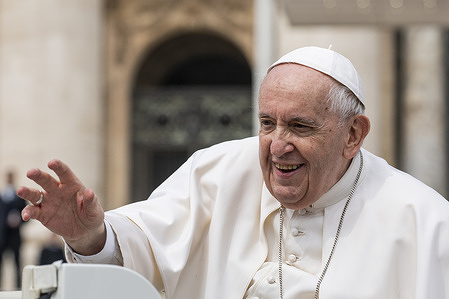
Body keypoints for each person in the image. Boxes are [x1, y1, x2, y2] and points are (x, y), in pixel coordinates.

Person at [18, 46, 449, 298]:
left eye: (299, 126)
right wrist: (88, 236)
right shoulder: (218, 171)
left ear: (353, 134)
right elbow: (140, 253)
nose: (278, 145)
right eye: (267, 123)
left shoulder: (425, 221)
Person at [0, 171, 26, 288]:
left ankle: (18, 287)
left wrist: (19, 220)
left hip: (15, 237)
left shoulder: (20, 199)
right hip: (2, 237)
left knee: (17, 263)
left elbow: (27, 215)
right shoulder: (2, 197)